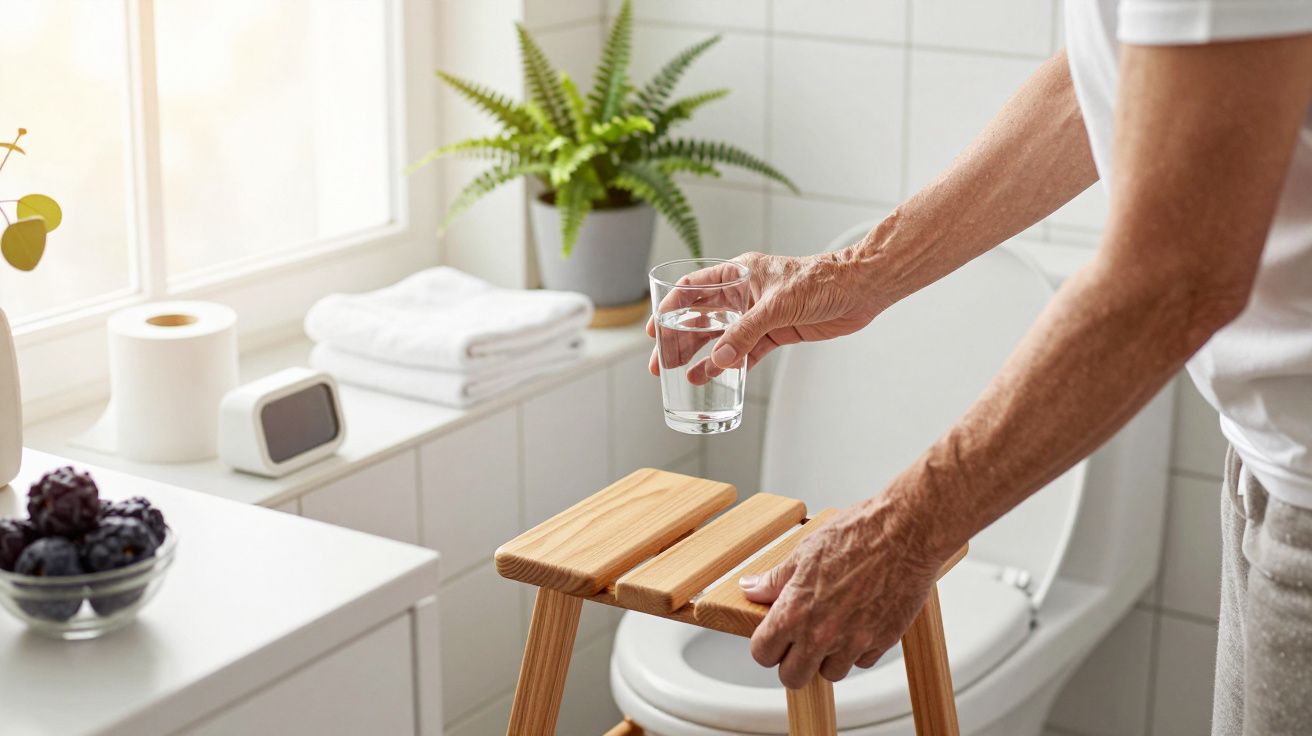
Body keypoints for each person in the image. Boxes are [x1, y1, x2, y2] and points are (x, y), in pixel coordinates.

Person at [647, 2, 1312, 733]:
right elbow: (1098, 86)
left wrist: (904, 532)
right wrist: (857, 271)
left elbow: (1172, 278)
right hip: (1271, 460)